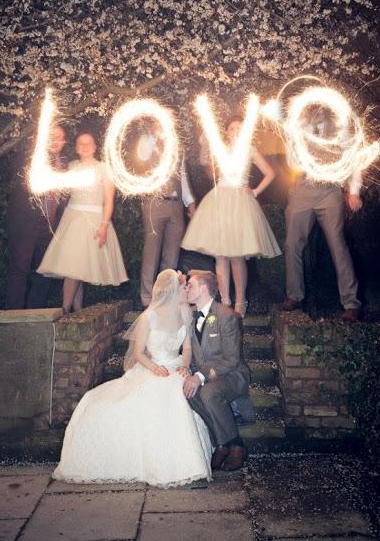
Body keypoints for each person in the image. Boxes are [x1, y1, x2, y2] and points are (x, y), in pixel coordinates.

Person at [52, 269, 212, 487]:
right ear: (173, 290)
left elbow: (187, 347)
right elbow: (138, 354)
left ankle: (184, 461)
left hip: (175, 367)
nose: (186, 290)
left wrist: (184, 366)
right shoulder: (149, 317)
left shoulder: (185, 313)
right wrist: (154, 368)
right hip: (152, 366)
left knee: (176, 394)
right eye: (184, 286)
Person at [181, 118, 282, 317]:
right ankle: (225, 301)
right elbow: (205, 163)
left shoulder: (249, 149)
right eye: (232, 128)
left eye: (239, 128)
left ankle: (240, 302)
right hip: (219, 202)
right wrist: (204, 143)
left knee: (236, 256)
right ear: (227, 133)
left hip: (240, 202)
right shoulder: (221, 150)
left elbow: (270, 173)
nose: (235, 131)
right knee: (221, 255)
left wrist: (255, 191)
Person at [282, 111, 363, 321]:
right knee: (292, 243)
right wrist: (294, 138)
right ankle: (294, 296)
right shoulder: (298, 127)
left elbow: (355, 159)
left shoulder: (340, 128)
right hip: (303, 188)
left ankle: (351, 303)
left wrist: (354, 190)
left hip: (330, 190)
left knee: (337, 244)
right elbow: (292, 164)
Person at [37, 131, 128, 313]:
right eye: (81, 143)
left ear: (95, 147)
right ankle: (76, 310)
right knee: (75, 267)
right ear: (77, 148)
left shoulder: (104, 168)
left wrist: (104, 226)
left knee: (77, 268)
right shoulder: (72, 166)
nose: (85, 147)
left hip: (93, 221)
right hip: (72, 220)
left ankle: (64, 309)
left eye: (89, 143)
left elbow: (109, 200)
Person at [183, 270, 252, 471]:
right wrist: (186, 370)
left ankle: (237, 446)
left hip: (232, 374)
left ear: (204, 289)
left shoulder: (226, 315)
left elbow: (231, 359)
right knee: (188, 393)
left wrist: (200, 376)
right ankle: (223, 443)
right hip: (207, 374)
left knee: (209, 391)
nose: (187, 289)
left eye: (191, 286)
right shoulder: (191, 317)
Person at [5, 124, 67, 309]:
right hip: (26, 221)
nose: (56, 141)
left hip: (48, 225)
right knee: (20, 268)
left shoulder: (61, 165)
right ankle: (12, 314)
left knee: (45, 270)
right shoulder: (32, 158)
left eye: (60, 137)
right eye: (52, 136)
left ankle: (36, 312)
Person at [137, 122, 196, 308]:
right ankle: (147, 299)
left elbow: (182, 175)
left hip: (176, 205)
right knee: (151, 252)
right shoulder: (146, 141)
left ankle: (165, 298)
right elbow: (142, 156)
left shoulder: (177, 146)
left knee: (172, 255)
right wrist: (154, 134)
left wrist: (190, 202)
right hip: (154, 203)